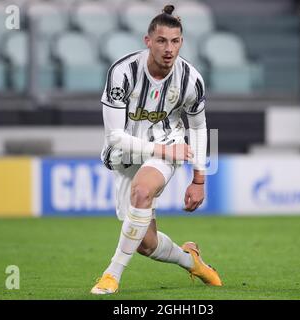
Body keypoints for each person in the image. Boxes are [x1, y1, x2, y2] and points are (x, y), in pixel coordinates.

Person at [91, 4, 222, 295]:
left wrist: (199, 179)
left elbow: (199, 129)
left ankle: (112, 274)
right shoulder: (123, 73)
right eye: (162, 40)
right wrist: (163, 152)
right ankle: (192, 261)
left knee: (142, 190)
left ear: (182, 43)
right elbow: (114, 137)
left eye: (175, 41)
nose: (169, 49)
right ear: (147, 41)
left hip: (168, 145)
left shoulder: (191, 80)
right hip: (126, 155)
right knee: (146, 244)